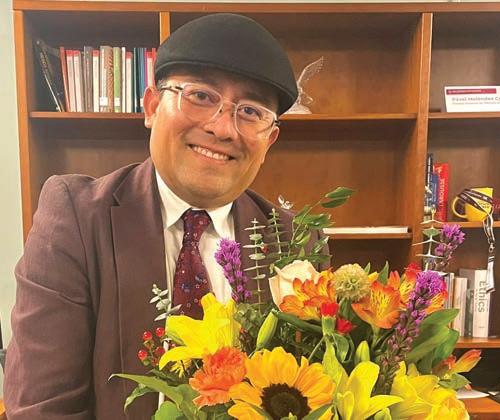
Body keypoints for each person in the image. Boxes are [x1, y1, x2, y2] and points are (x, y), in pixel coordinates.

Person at [5, 13, 325, 419]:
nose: (223, 128)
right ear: (152, 106)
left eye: (250, 112)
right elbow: (43, 407)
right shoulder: (76, 218)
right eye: (201, 95)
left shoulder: (295, 243)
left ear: (270, 138)